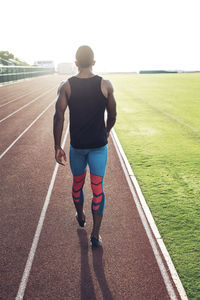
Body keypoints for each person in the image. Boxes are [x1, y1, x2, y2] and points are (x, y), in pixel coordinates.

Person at [53, 45, 117, 247]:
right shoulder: (105, 85)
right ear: (94, 62)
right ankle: (95, 236)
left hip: (77, 147)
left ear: (76, 63)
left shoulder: (66, 86)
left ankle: (80, 215)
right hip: (99, 146)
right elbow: (113, 115)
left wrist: (57, 146)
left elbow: (59, 116)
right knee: (98, 189)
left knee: (77, 183)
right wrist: (106, 131)